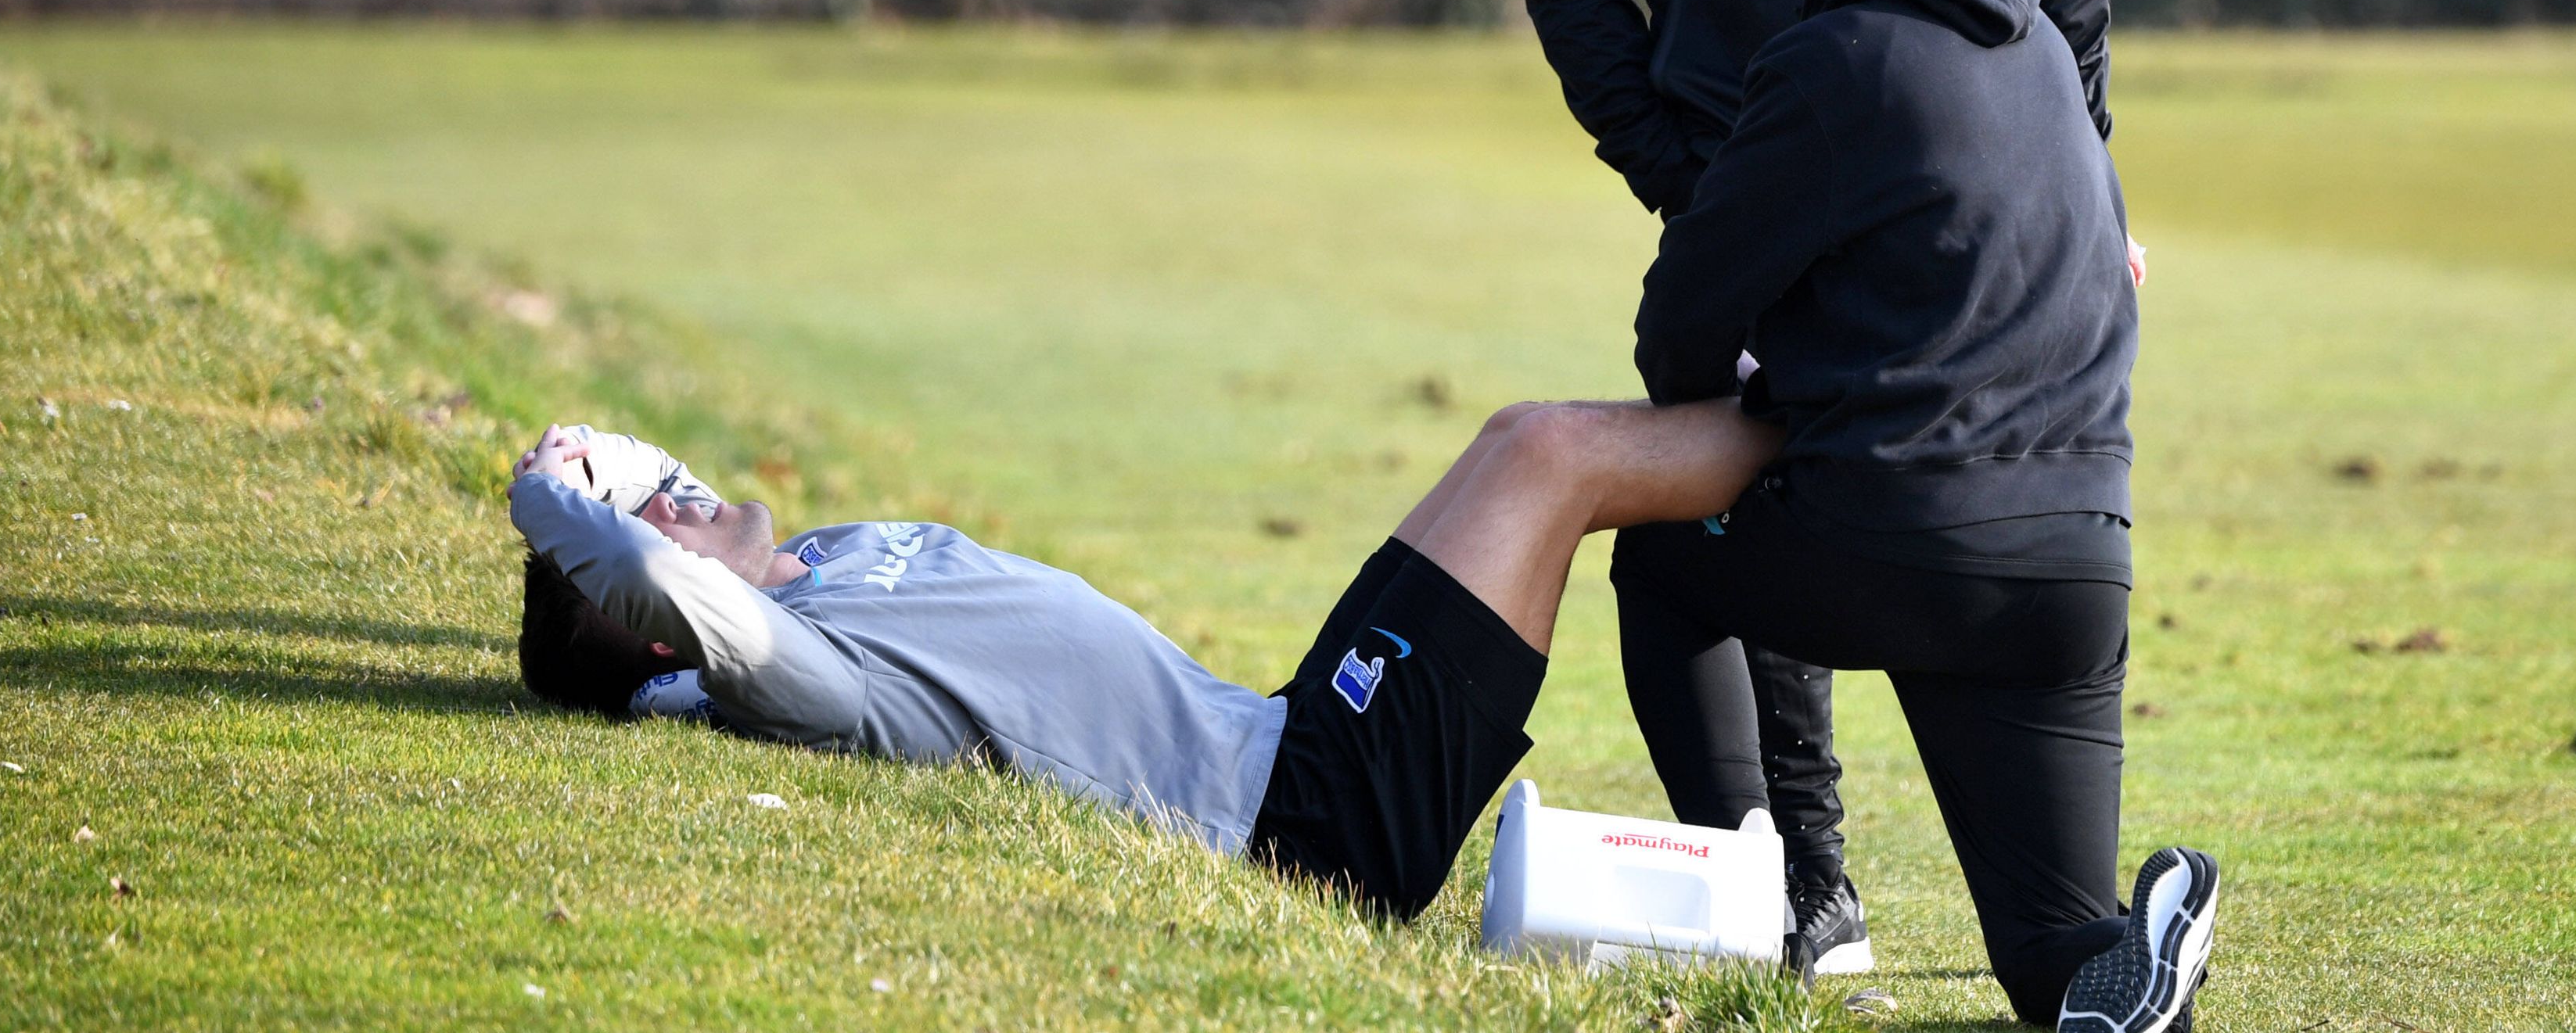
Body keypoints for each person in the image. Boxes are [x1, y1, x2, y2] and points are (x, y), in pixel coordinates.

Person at [1516, 0, 2134, 975]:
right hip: (1746, 191)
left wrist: (2083, 196)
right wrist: (1663, 156)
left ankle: (2009, 894)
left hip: (1951, 225)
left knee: (1905, 492)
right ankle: (1805, 896)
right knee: (1739, 482)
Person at [1608, 0, 2213, 1031]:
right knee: (2052, 955)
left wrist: (1757, 419)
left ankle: (1764, 916)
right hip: (2076, 564)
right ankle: (2134, 963)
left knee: (1665, 555)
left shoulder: (1828, 62)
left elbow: (1680, 330)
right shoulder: (2046, 47)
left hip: (1902, 538)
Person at [506, 400, 1779, 926]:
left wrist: (601, 463)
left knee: (1519, 439)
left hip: (1290, 739)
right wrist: (540, 494)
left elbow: (681, 537)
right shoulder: (807, 678)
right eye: (638, 518)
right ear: (664, 627)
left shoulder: (816, 567)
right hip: (1312, 831)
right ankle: (1857, 426)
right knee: (1562, 462)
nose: (666, 498)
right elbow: (667, 580)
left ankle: (1823, 422)